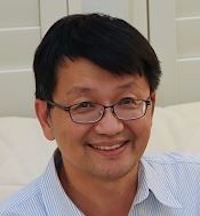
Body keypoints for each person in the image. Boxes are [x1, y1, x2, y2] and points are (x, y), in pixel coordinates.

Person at [0, 13, 200, 216]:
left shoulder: (194, 188)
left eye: (127, 101)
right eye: (85, 105)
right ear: (45, 118)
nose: (110, 127)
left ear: (151, 107)